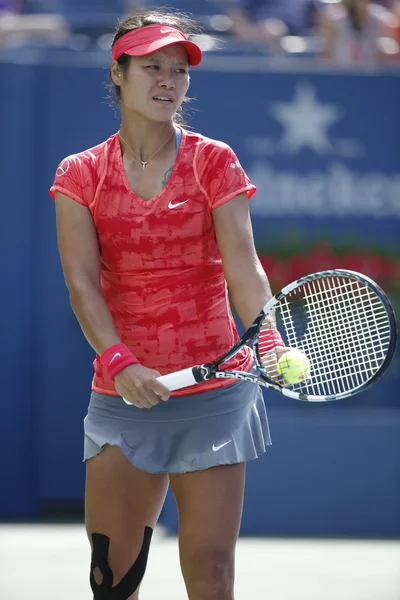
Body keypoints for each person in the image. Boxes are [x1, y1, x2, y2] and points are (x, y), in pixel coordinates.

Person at [50, 8, 285, 600]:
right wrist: (120, 362)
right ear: (118, 73)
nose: (168, 80)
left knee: (210, 571)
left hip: (216, 392)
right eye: (152, 66)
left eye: (179, 70)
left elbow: (244, 267)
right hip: (124, 394)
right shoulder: (80, 174)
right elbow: (82, 284)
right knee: (111, 575)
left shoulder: (214, 160)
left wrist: (268, 337)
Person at [318, 0, 397, 66]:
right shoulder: (332, 18)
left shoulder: (379, 18)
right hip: (341, 75)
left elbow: (387, 49)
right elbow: (326, 53)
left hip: (371, 76)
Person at [227, 0, 320, 54]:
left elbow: (322, 19)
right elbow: (236, 17)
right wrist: (256, 33)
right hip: (258, 43)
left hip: (298, 41)